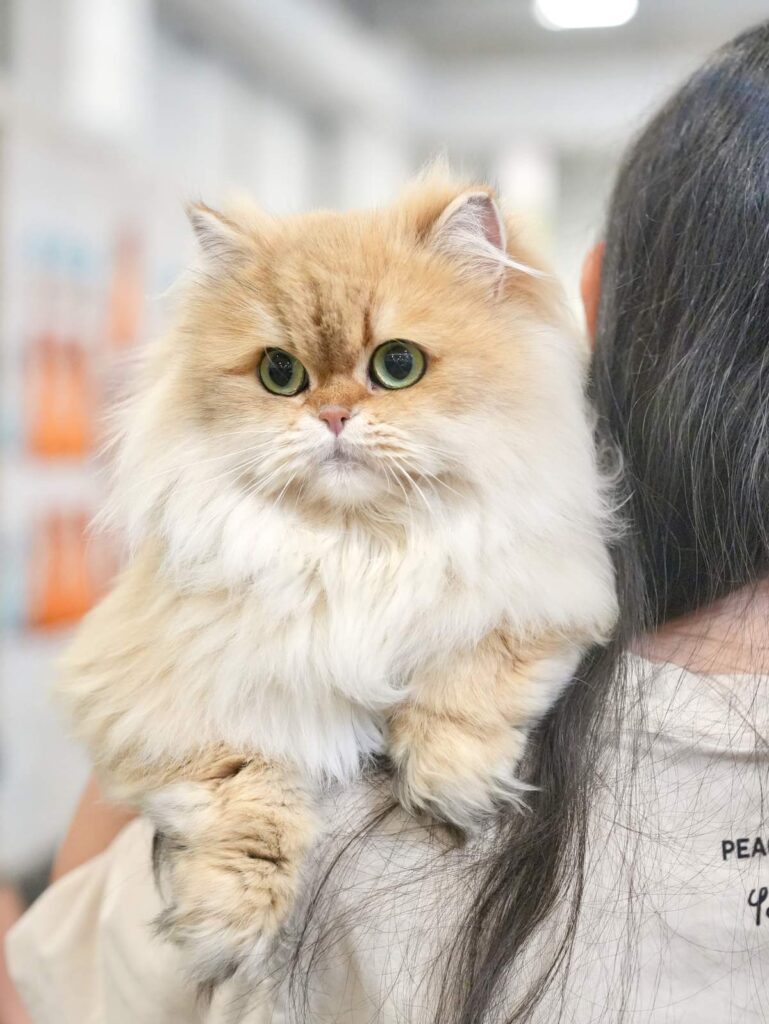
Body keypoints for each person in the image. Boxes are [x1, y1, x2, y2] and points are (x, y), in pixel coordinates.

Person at [7, 20, 769, 1022]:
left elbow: (49, 985)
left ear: (591, 303)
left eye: (395, 367)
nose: (335, 413)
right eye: (284, 375)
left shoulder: (349, 816)